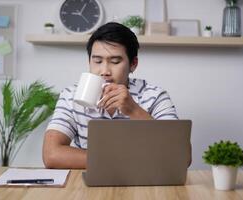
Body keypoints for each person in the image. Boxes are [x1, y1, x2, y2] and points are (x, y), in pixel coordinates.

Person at [42, 22, 178, 169]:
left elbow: (182, 156)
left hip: (143, 185)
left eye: (115, 61)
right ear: (89, 61)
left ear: (133, 64)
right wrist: (122, 161)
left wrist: (134, 110)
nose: (104, 71)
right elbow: (51, 155)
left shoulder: (155, 96)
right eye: (97, 61)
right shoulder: (71, 95)